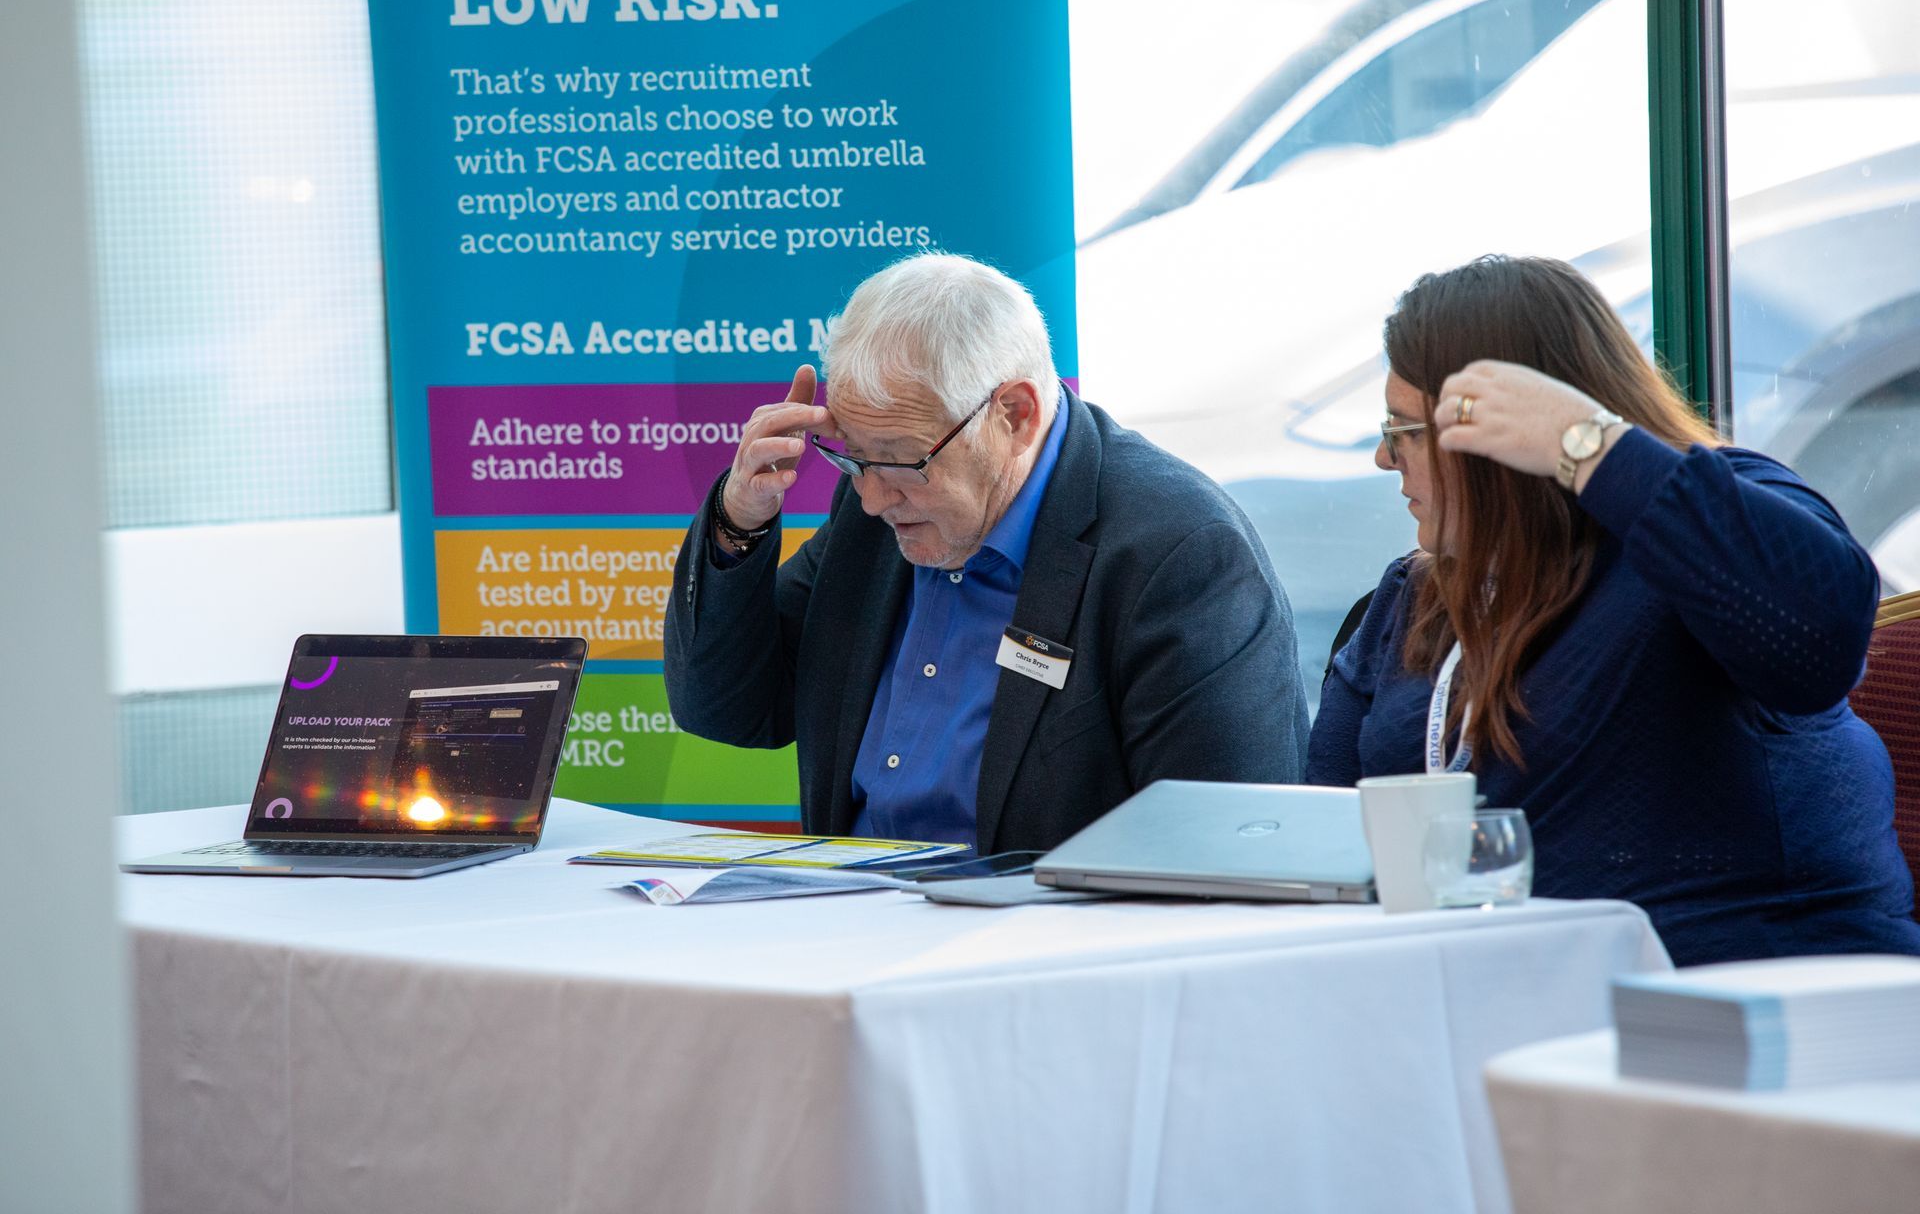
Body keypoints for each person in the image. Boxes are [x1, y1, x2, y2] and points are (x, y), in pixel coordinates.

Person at [1310, 254, 1920, 967]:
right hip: (1498, 998)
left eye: (1406, 430)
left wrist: (1590, 447)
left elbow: (1821, 642)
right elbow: (1323, 829)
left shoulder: (1705, 515)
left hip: (1747, 1002)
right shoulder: (1417, 597)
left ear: (1502, 436)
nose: (1387, 459)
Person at [665, 252, 1309, 851]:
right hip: (847, 933)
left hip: (1039, 948)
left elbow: (1225, 856)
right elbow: (728, 712)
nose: (870, 498)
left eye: (901, 461)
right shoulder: (883, 514)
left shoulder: (1180, 556)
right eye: (852, 458)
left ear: (1015, 414)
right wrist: (739, 521)